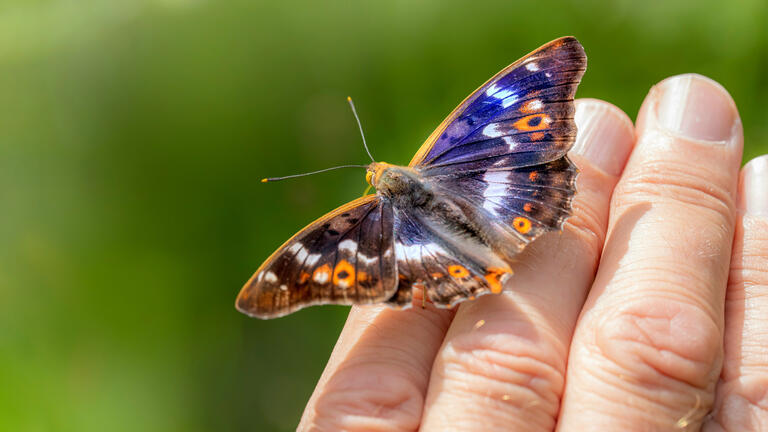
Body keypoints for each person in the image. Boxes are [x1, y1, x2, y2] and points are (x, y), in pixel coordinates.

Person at [297, 74, 767, 431]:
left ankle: (475, 264)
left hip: (431, 244)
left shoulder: (353, 225)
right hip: (501, 195)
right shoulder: (443, 150)